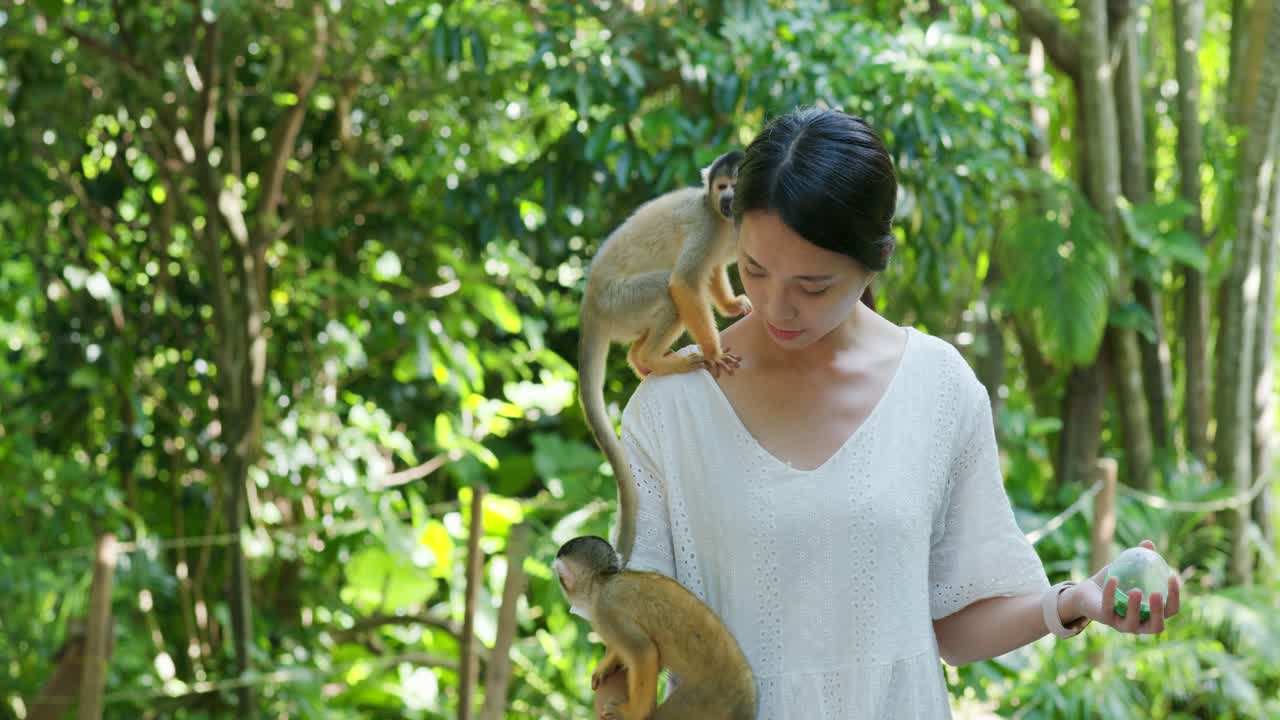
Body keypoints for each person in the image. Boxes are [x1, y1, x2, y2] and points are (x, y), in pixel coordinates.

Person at [591, 107, 1182, 719]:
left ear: (875, 260)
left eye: (813, 285)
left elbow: (954, 622)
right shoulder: (671, 409)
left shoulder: (938, 387)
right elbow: (631, 637)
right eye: (755, 270)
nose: (776, 306)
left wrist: (1074, 602)